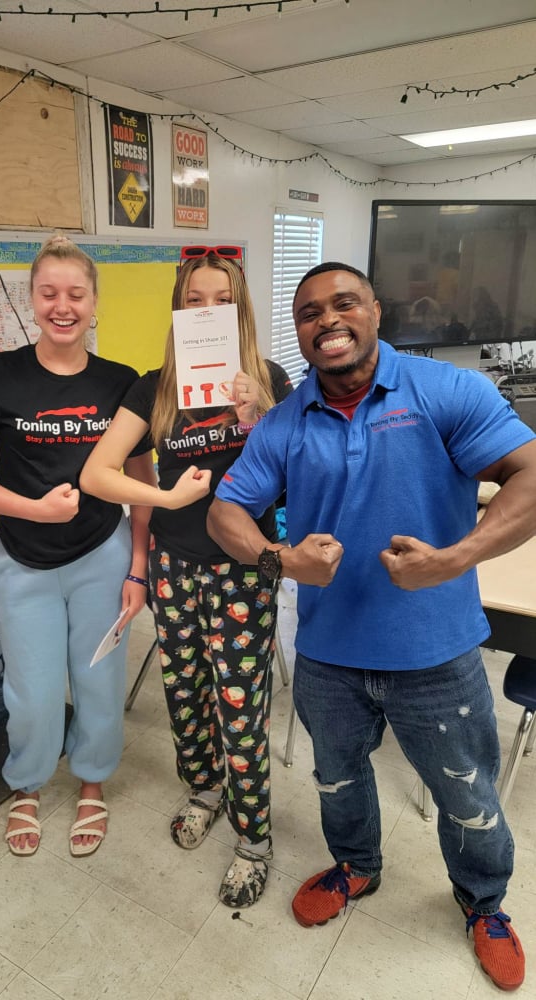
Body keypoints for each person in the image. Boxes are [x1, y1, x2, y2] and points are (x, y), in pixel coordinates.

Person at [207, 261, 536, 991]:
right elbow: (224, 513)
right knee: (337, 780)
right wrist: (279, 559)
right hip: (329, 657)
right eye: (309, 312)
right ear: (299, 332)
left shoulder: (445, 391)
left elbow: (531, 473)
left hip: (437, 654)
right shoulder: (286, 422)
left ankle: (483, 903)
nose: (328, 320)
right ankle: (356, 866)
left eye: (344, 303)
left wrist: (455, 557)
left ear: (376, 312)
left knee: (467, 794)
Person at [80, 247, 291, 907]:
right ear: (178, 311)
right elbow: (97, 472)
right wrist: (166, 499)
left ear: (239, 310)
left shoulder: (271, 379)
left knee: (241, 707)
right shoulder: (154, 388)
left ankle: (254, 839)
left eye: (220, 300)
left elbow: (299, 475)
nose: (207, 310)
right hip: (175, 567)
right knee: (185, 692)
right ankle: (204, 790)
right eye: (194, 300)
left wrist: (258, 416)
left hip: (243, 567)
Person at [0, 234, 154, 859]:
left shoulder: (121, 382)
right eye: (49, 293)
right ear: (31, 299)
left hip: (103, 554)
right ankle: (27, 783)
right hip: (21, 558)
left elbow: (142, 482)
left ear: (94, 303)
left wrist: (138, 567)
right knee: (29, 689)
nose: (63, 306)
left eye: (76, 294)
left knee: (99, 679)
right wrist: (33, 508)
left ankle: (92, 780)